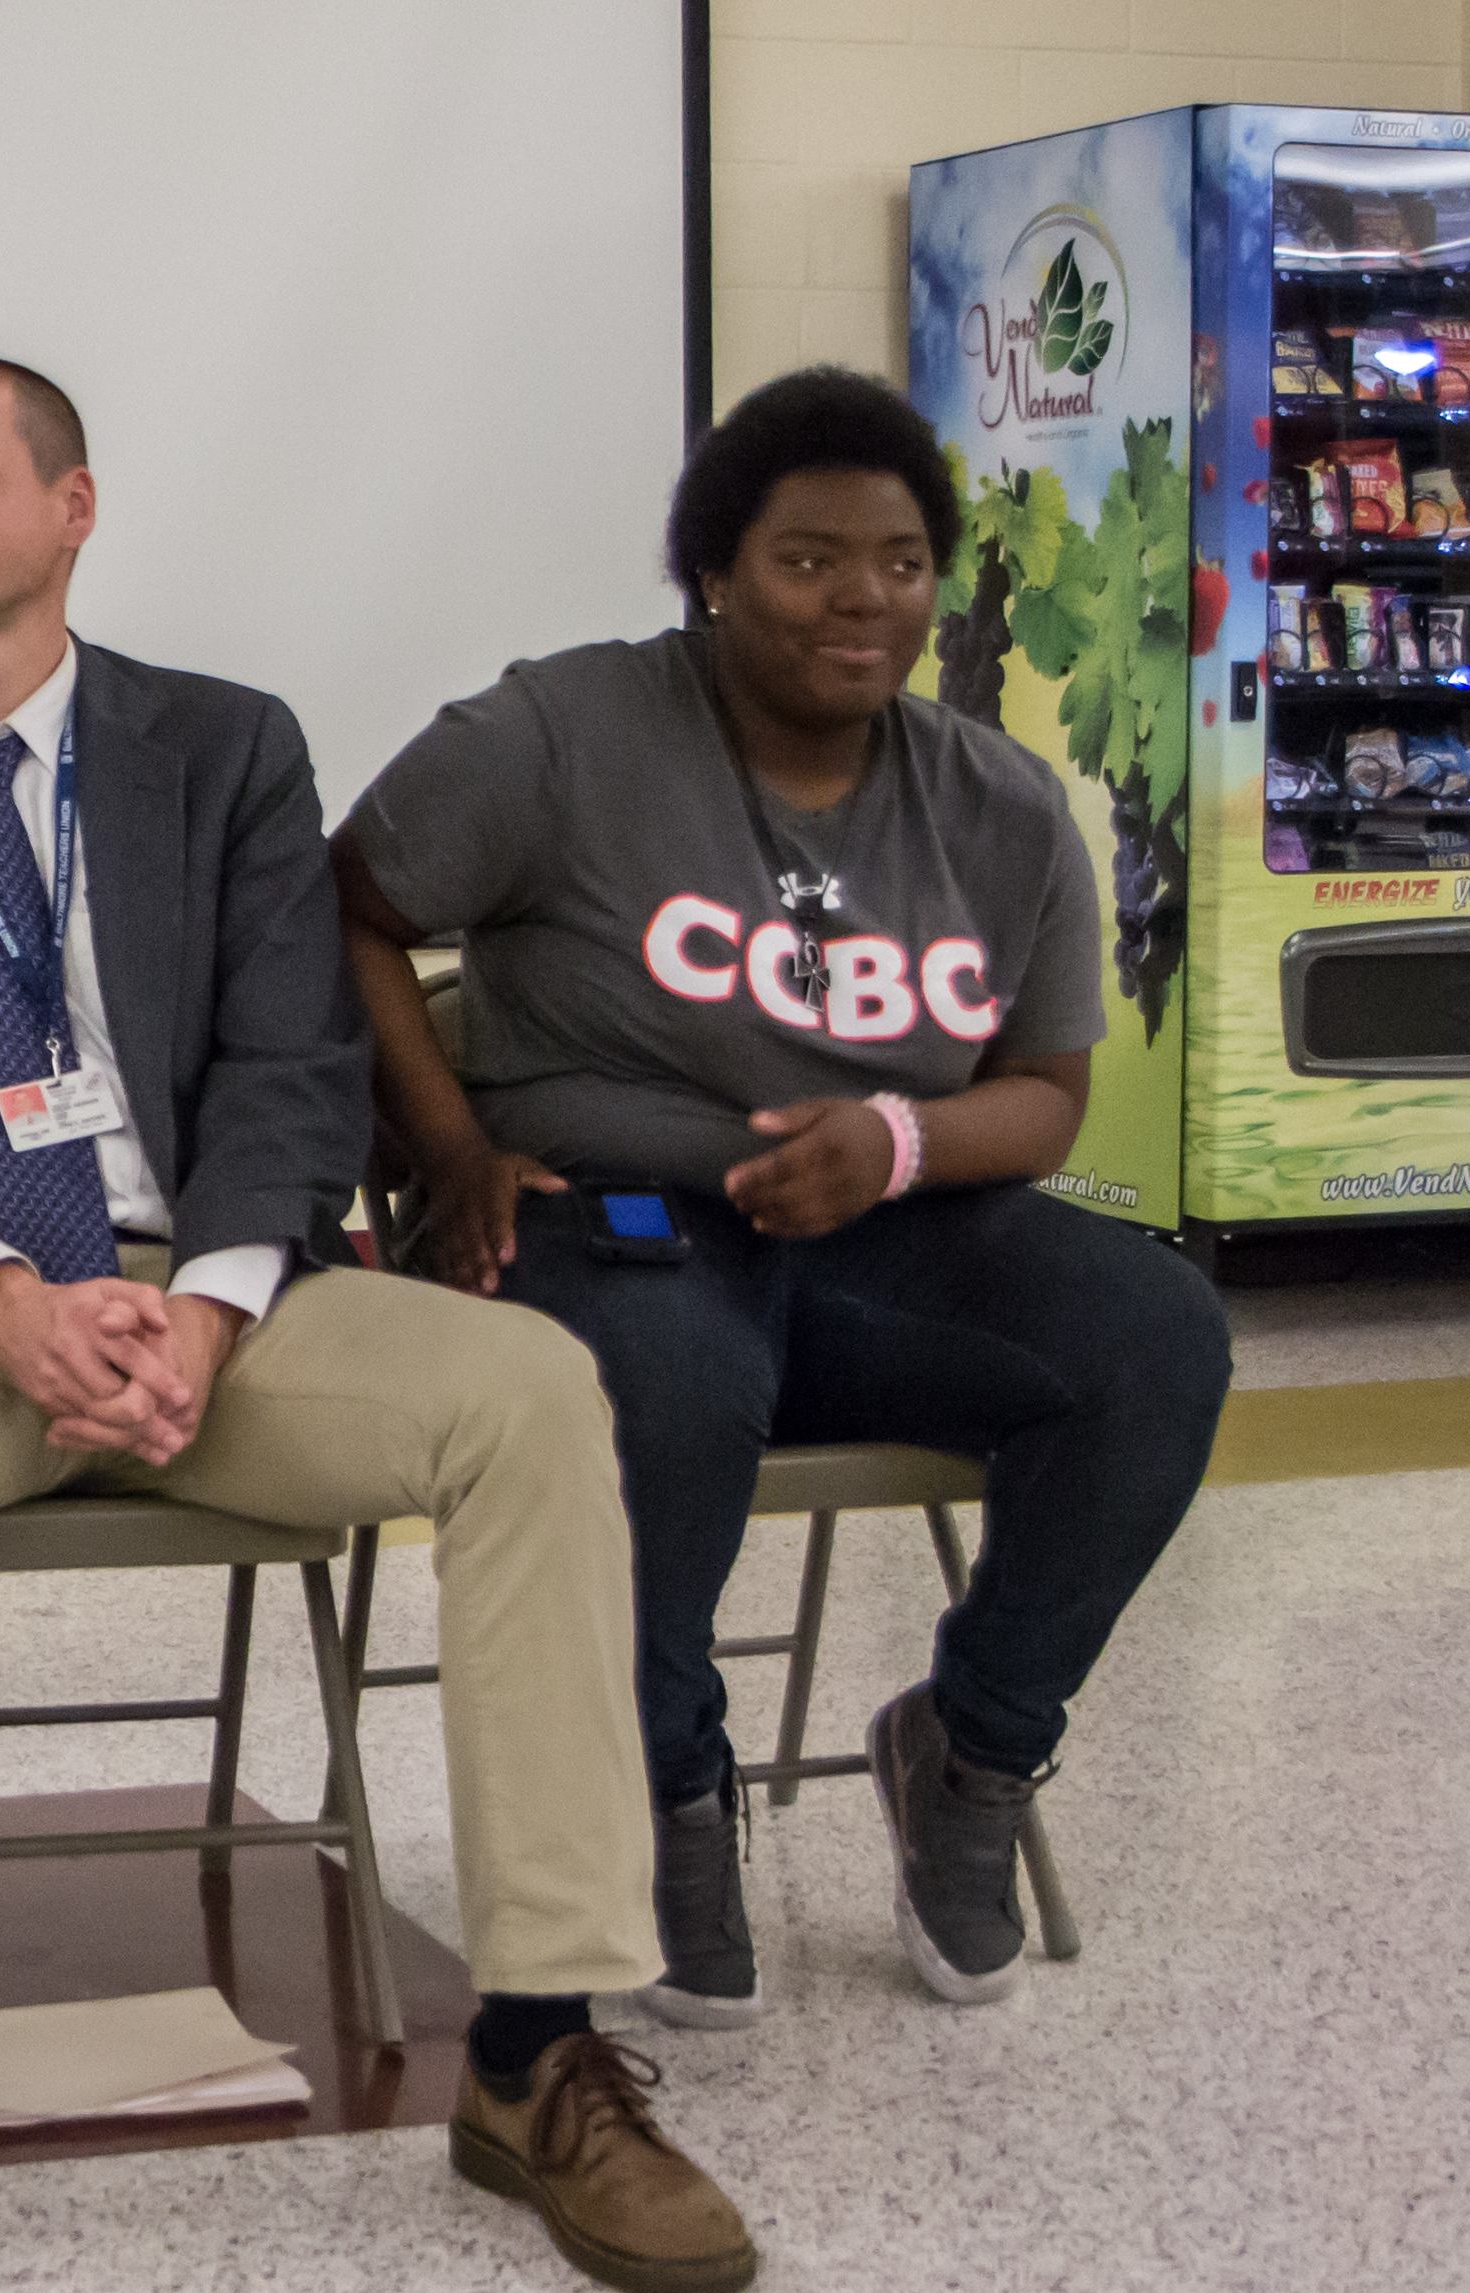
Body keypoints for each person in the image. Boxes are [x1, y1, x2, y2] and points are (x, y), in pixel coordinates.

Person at [0, 355, 753, 2293]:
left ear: (72, 506)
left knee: (527, 1384)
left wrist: (204, 1302)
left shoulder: (225, 749)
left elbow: (294, 1061)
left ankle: (538, 2044)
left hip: (222, 1309)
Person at [331, 365, 1231, 2027]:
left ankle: (969, 1749)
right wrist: (447, 1144)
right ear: (715, 571)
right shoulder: (561, 730)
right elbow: (349, 904)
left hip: (887, 1240)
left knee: (1155, 1333)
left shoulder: (1000, 803)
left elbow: (1040, 1100)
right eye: (809, 558)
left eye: (899, 560)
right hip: (614, 1224)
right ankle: (667, 1789)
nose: (862, 598)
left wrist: (890, 1143)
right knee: (666, 1383)